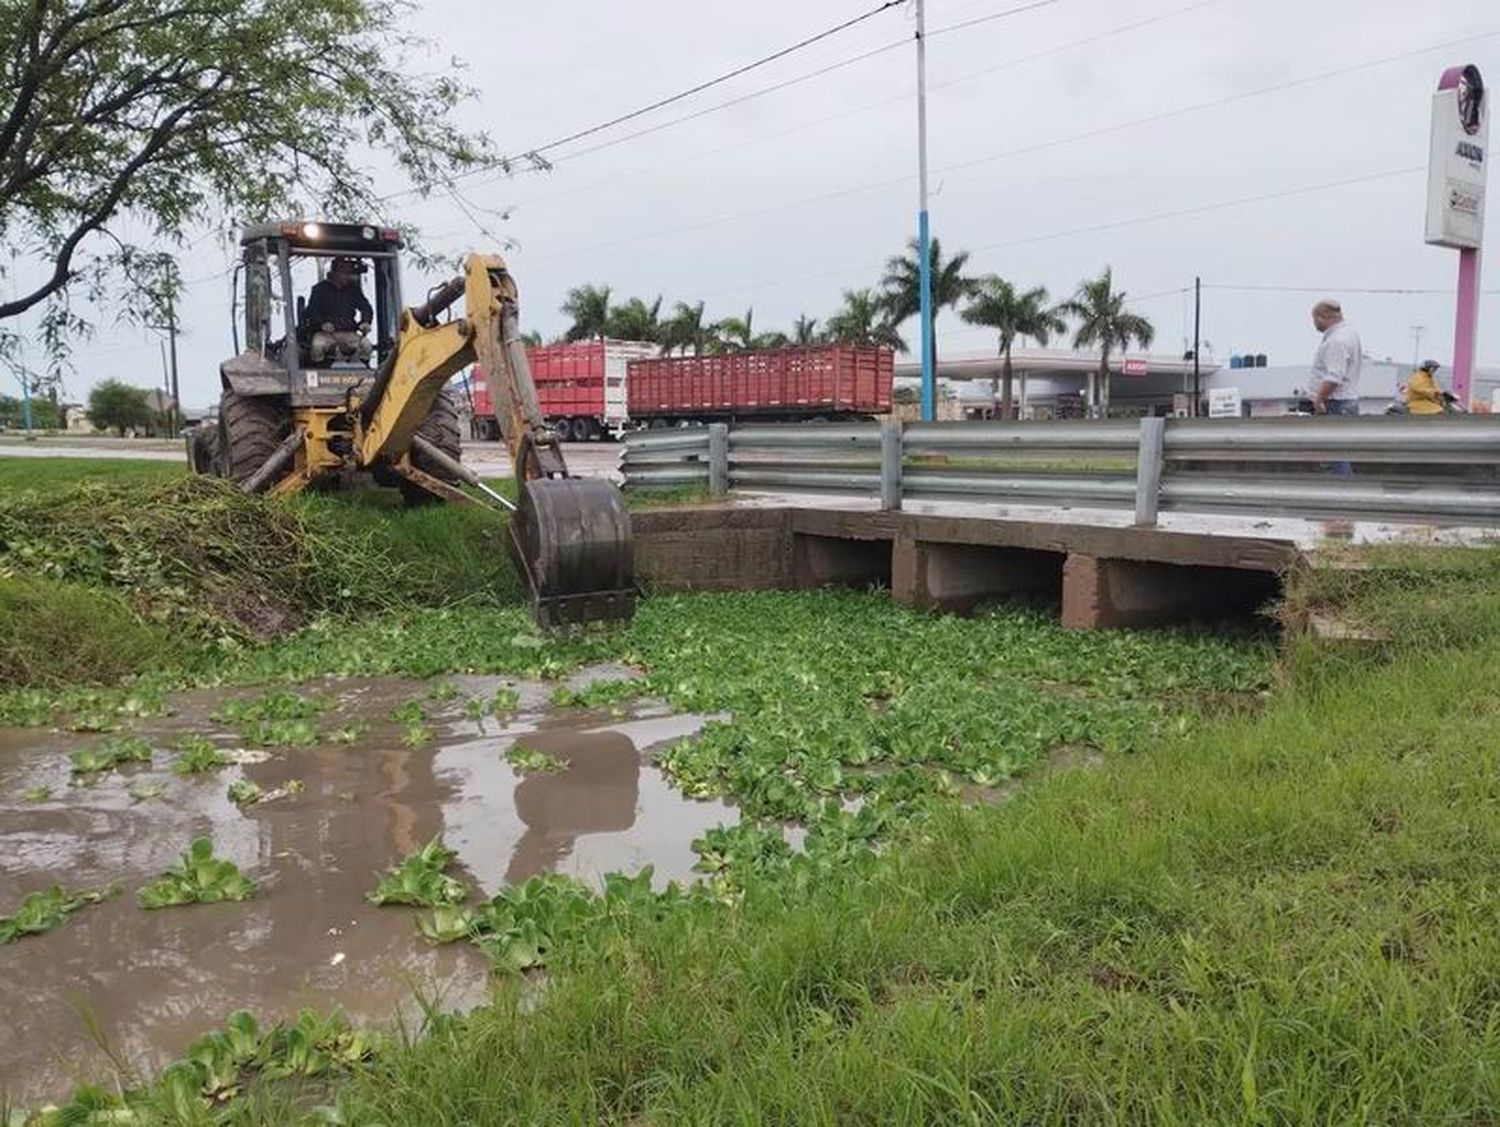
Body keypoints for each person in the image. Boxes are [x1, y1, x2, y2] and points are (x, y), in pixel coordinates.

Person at [1309, 299, 1362, 477]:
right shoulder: (1349, 334)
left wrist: (1319, 400)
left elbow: (1334, 376)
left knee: (1333, 455)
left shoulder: (1336, 341)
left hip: (1335, 403)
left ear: (1323, 317)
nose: (1314, 323)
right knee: (1339, 453)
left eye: (1314, 318)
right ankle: (1345, 493)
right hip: (1346, 402)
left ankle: (1344, 494)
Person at [302, 256, 373, 365]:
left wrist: (365, 322)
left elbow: (366, 308)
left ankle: (365, 371)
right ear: (335, 272)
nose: (347, 276)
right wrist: (322, 324)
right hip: (325, 334)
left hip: (349, 333)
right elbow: (311, 311)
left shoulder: (353, 290)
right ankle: (319, 371)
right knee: (317, 345)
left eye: (349, 273)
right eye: (344, 273)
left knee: (367, 345)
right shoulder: (319, 290)